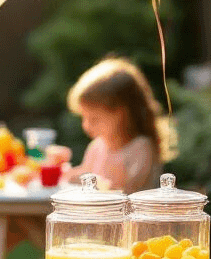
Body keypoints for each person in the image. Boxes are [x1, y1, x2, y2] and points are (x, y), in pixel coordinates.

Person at [65, 57, 171, 195]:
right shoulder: (98, 146)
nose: (86, 125)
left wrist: (99, 183)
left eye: (94, 119)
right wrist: (61, 171)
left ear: (122, 115)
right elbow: (82, 173)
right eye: (83, 117)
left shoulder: (141, 148)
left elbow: (128, 192)